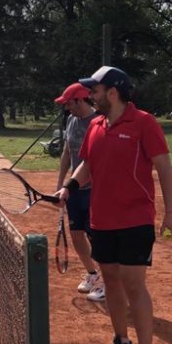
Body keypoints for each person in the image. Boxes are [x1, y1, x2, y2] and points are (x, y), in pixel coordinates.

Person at [56, 66, 172, 344]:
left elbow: (164, 168)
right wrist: (69, 187)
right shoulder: (96, 125)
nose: (91, 95)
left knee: (132, 283)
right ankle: (121, 342)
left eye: (95, 91)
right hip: (102, 219)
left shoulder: (144, 123)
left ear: (112, 92)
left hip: (135, 219)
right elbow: (86, 164)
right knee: (110, 279)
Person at [53, 82, 107, 302]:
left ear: (80, 100)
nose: (66, 108)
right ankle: (93, 275)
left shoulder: (99, 122)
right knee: (76, 236)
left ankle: (107, 282)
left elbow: (98, 160)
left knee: (98, 238)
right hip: (74, 189)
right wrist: (62, 184)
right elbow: (67, 152)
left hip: (95, 191)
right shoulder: (71, 120)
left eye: (68, 103)